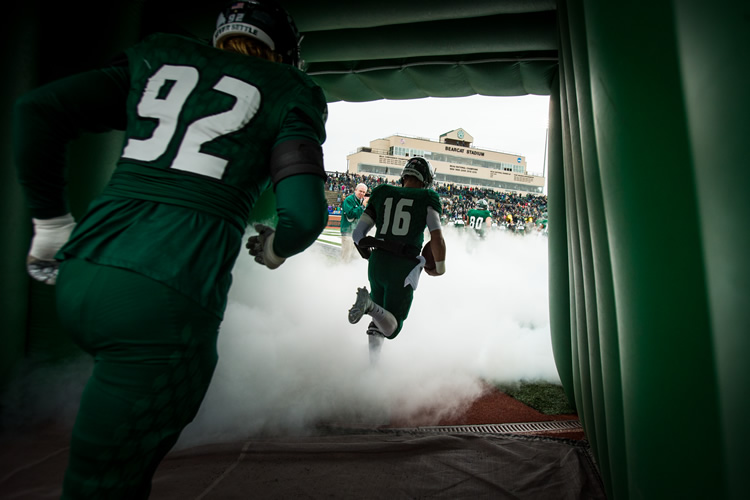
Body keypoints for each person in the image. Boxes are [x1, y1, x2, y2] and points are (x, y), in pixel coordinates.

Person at [13, 1, 328, 498]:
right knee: (105, 484)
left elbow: (38, 111)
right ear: (285, 52)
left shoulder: (158, 56)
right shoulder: (291, 91)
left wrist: (51, 224)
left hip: (83, 269)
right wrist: (277, 248)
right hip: (164, 295)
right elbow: (306, 217)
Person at [347, 157, 446, 363]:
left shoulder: (382, 192)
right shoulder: (427, 197)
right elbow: (437, 238)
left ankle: (373, 369)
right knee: (393, 327)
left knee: (379, 320)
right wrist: (440, 268)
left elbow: (358, 235)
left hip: (377, 263)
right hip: (402, 267)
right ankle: (368, 306)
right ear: (426, 178)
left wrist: (370, 256)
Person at [339, 182, 368, 262]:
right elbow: (351, 214)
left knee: (355, 257)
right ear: (355, 190)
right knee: (346, 257)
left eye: (364, 192)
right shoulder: (349, 200)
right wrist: (362, 206)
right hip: (347, 232)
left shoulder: (362, 201)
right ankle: (342, 272)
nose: (362, 193)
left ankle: (351, 273)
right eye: (360, 191)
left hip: (357, 233)